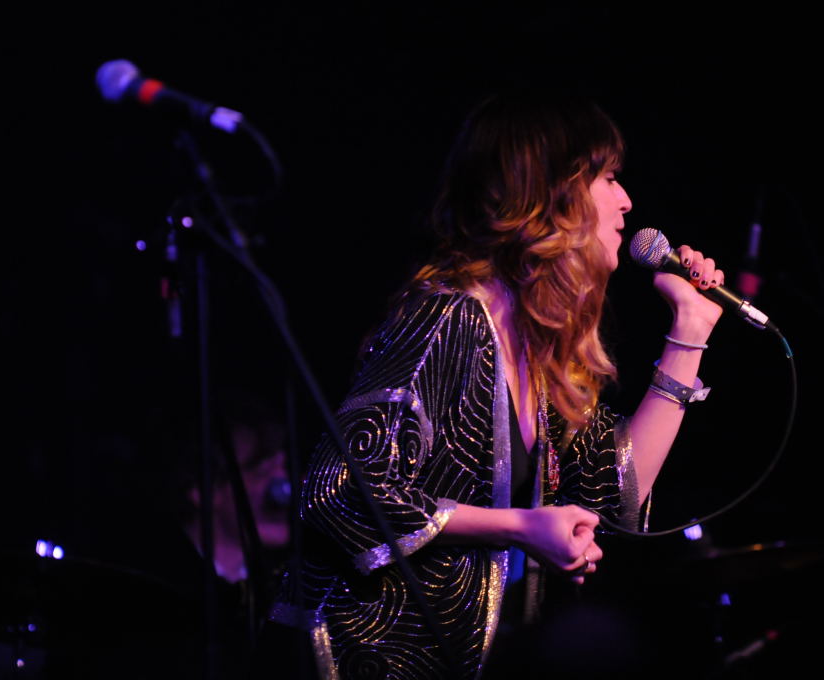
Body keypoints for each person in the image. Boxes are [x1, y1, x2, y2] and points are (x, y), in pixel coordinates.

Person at [267, 92, 724, 680]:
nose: (626, 200)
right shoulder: (448, 317)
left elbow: (614, 496)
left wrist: (690, 329)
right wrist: (518, 526)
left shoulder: (539, 347)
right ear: (553, 191)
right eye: (609, 178)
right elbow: (342, 489)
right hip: (347, 660)